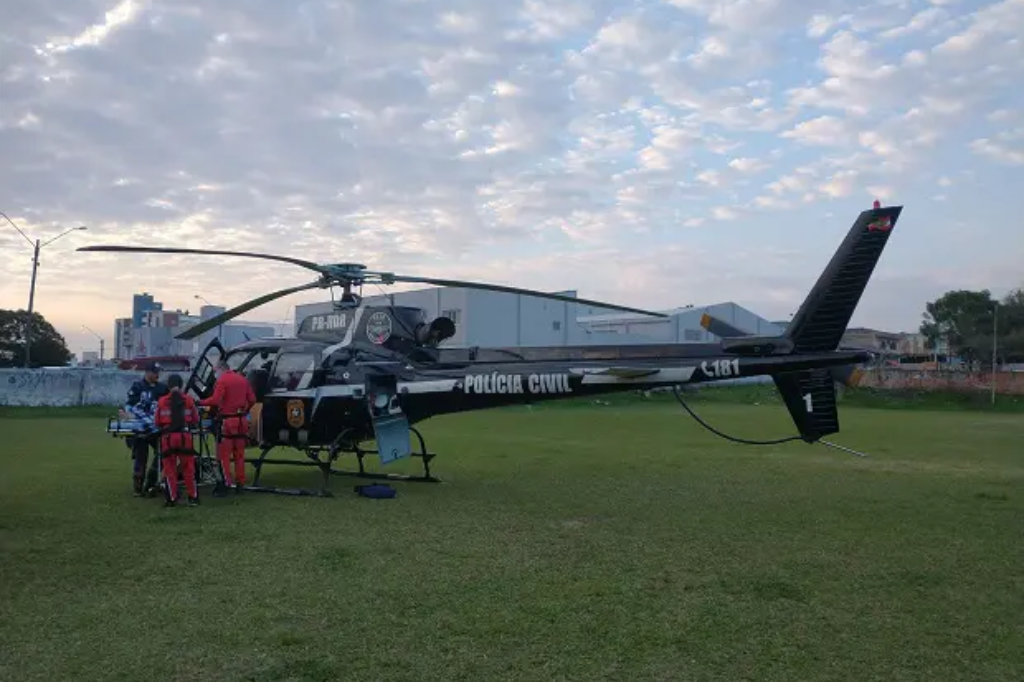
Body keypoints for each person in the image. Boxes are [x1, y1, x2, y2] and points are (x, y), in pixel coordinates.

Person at [200, 358, 256, 493]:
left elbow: (215, 400)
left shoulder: (222, 381)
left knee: (223, 456)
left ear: (220, 368)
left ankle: (226, 483)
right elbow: (252, 399)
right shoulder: (243, 379)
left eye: (214, 371)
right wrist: (245, 410)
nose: (214, 374)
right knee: (239, 455)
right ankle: (240, 484)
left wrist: (199, 402)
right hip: (241, 421)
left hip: (227, 422)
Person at [155, 374, 200, 507]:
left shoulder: (162, 401)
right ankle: (193, 497)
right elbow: (195, 419)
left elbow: (157, 421)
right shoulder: (189, 400)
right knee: (188, 468)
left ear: (168, 386)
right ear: (181, 385)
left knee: (170, 469)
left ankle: (172, 498)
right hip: (184, 437)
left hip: (168, 438)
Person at [125, 362, 169, 496]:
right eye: (155, 372)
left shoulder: (163, 388)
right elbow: (129, 407)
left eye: (158, 372)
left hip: (158, 429)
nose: (157, 374)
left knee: (163, 452)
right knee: (141, 456)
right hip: (141, 429)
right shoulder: (137, 387)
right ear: (147, 372)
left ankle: (151, 481)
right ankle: (138, 487)